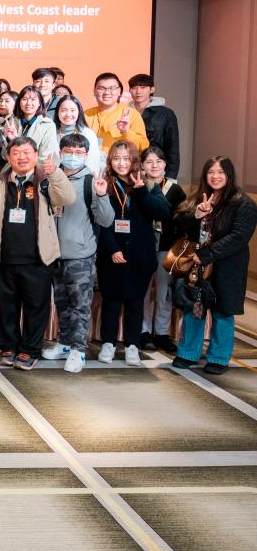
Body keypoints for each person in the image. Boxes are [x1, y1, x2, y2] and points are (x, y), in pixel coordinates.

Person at [0, 137, 75, 370]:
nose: (21, 157)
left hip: (38, 258)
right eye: (16, 153)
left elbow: (68, 198)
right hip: (6, 256)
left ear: (35, 155)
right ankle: (9, 346)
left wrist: (55, 173)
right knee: (8, 306)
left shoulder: (45, 181)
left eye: (27, 152)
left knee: (36, 307)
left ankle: (30, 350)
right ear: (8, 157)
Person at [171, 156, 257, 374]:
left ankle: (218, 357)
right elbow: (178, 225)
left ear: (229, 175)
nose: (215, 176)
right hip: (198, 267)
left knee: (223, 312)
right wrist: (197, 215)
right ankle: (188, 352)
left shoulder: (243, 203)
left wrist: (206, 254)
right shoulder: (197, 197)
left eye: (220, 172)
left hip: (227, 267)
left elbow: (239, 237)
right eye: (211, 172)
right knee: (195, 308)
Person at [41, 134, 114, 373]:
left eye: (78, 152)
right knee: (61, 303)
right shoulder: (50, 177)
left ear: (85, 155)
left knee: (80, 304)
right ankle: (64, 343)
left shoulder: (90, 181)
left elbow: (106, 220)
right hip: (54, 253)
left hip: (80, 254)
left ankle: (78, 350)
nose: (72, 156)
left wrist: (102, 195)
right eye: (68, 151)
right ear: (60, 152)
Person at [96, 140, 170, 366]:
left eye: (126, 159)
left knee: (135, 303)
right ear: (110, 161)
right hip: (111, 254)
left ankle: (132, 346)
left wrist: (142, 193)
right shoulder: (104, 184)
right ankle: (108, 343)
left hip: (140, 255)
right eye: (116, 158)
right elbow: (101, 222)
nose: (121, 163)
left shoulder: (146, 184)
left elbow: (163, 212)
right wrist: (113, 249)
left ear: (134, 161)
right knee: (111, 302)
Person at [140, 146, 185, 354]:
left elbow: (182, 220)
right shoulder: (139, 186)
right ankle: (144, 332)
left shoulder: (176, 190)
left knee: (164, 293)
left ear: (165, 165)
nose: (154, 165)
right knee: (143, 291)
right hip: (143, 247)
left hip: (166, 249)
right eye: (149, 162)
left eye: (158, 161)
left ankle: (162, 333)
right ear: (142, 165)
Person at [129, 74, 180, 178]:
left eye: (143, 87)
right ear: (129, 90)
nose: (138, 91)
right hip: (129, 170)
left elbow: (173, 148)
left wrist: (170, 177)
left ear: (152, 89)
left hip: (157, 171)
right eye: (134, 87)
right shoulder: (124, 112)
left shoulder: (166, 114)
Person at [84, 72, 150, 154]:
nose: (107, 92)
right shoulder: (85, 115)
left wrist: (126, 131)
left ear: (119, 91)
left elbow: (143, 147)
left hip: (120, 165)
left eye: (112, 88)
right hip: (91, 164)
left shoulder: (131, 114)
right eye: (101, 88)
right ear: (94, 91)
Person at [4, 85, 59, 163]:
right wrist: (11, 141)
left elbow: (46, 157)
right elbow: (4, 156)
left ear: (39, 103)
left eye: (33, 99)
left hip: (37, 171)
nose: (28, 103)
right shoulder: (11, 123)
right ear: (19, 102)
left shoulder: (48, 125)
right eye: (24, 99)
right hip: (12, 170)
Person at [53, 94, 103, 173]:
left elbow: (93, 163)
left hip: (82, 179)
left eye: (72, 110)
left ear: (79, 112)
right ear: (57, 113)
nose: (68, 114)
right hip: (55, 179)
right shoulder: (51, 133)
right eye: (63, 110)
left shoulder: (87, 134)